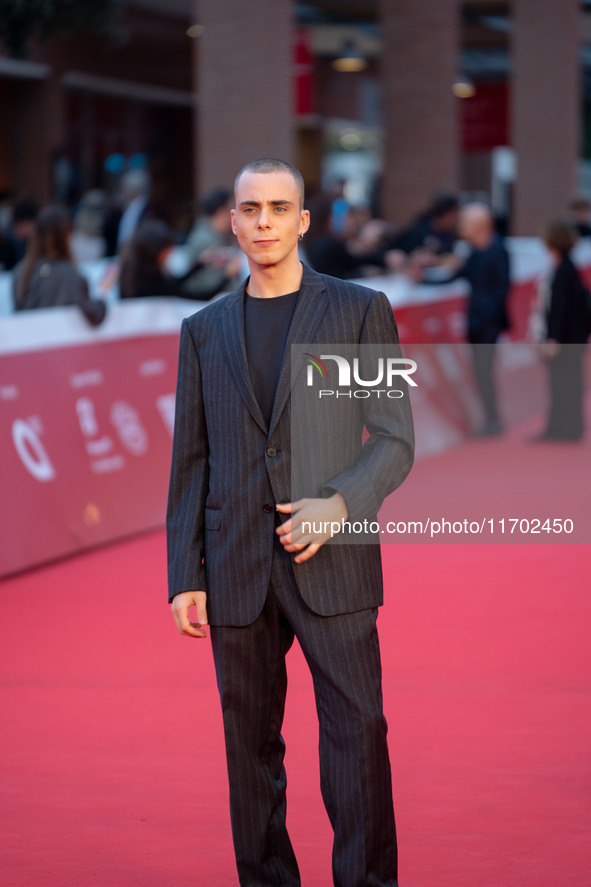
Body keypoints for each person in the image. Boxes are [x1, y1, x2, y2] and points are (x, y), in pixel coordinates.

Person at [166, 157, 414, 887]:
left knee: (358, 736)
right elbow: (190, 461)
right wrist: (185, 574)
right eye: (251, 209)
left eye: (279, 207)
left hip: (332, 561)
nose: (265, 221)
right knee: (248, 747)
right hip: (235, 563)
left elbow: (395, 437)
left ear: (303, 221)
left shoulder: (359, 308)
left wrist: (339, 502)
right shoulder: (201, 329)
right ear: (233, 223)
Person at [417, 202, 510, 436]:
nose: (461, 226)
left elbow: (501, 292)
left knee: (484, 372)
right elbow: (454, 277)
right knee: (479, 373)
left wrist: (488, 319)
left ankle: (493, 420)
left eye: (466, 222)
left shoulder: (497, 251)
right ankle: (490, 419)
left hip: (487, 325)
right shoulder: (473, 252)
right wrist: (422, 280)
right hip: (475, 323)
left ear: (481, 225)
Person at [531, 221, 590, 441]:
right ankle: (561, 426)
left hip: (566, 341)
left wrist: (553, 338)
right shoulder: (566, 267)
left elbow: (560, 308)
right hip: (572, 339)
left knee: (565, 384)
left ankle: (567, 428)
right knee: (564, 383)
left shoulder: (564, 270)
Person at [12, 205, 106, 326]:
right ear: (66, 236)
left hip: (31, 341)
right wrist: (102, 301)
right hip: (58, 341)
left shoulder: (21, 271)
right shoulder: (68, 273)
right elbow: (93, 315)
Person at [182, 187, 242, 299]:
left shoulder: (213, 235)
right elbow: (207, 287)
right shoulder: (206, 240)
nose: (236, 217)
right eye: (232, 210)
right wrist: (229, 273)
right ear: (221, 212)